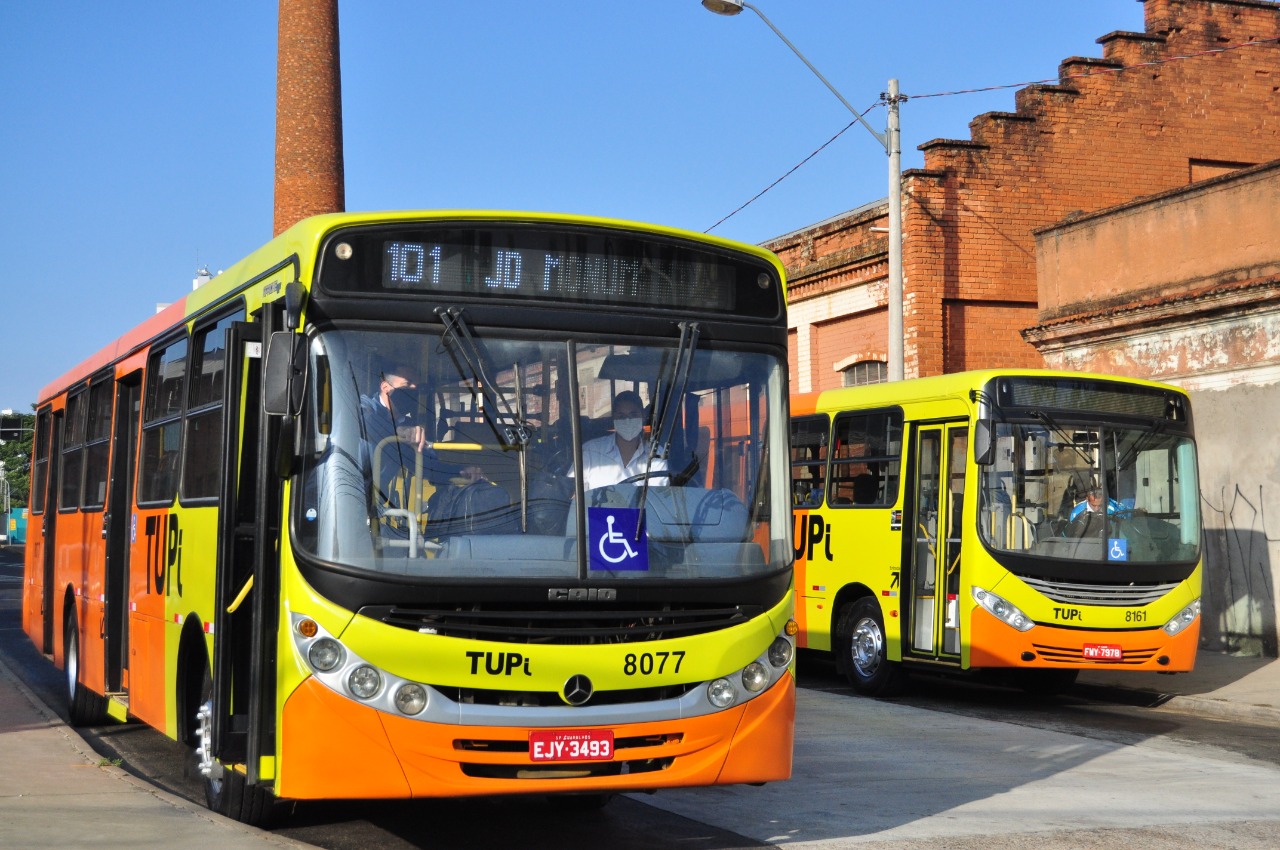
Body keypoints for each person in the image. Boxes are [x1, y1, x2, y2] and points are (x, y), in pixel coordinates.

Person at [572, 390, 668, 490]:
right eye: (621, 416)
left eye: (633, 415)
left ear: (643, 417)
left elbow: (659, 497)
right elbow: (573, 493)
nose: (627, 420)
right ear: (613, 419)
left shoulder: (656, 455)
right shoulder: (590, 452)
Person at [361, 363, 433, 496]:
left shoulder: (409, 425)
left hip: (376, 500)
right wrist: (398, 432)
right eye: (408, 383)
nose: (414, 389)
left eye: (417, 387)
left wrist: (461, 471)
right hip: (345, 493)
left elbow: (428, 465)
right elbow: (365, 421)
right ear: (385, 387)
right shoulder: (365, 405)